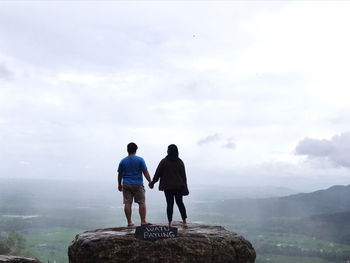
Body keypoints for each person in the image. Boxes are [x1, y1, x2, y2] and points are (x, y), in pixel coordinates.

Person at [149, 144, 188, 227]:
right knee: (180, 203)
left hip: (168, 187)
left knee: (170, 204)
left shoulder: (164, 161)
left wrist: (152, 183)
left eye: (168, 149)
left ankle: (170, 223)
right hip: (179, 187)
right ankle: (184, 221)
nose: (166, 151)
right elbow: (184, 176)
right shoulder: (180, 162)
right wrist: (185, 187)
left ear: (169, 151)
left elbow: (157, 173)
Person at [118, 142, 152, 227]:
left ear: (127, 150)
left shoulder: (123, 161)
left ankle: (129, 222)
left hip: (126, 184)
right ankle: (143, 221)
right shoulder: (140, 160)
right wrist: (150, 181)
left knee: (127, 203)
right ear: (136, 150)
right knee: (141, 202)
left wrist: (119, 184)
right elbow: (145, 172)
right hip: (138, 184)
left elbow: (120, 174)